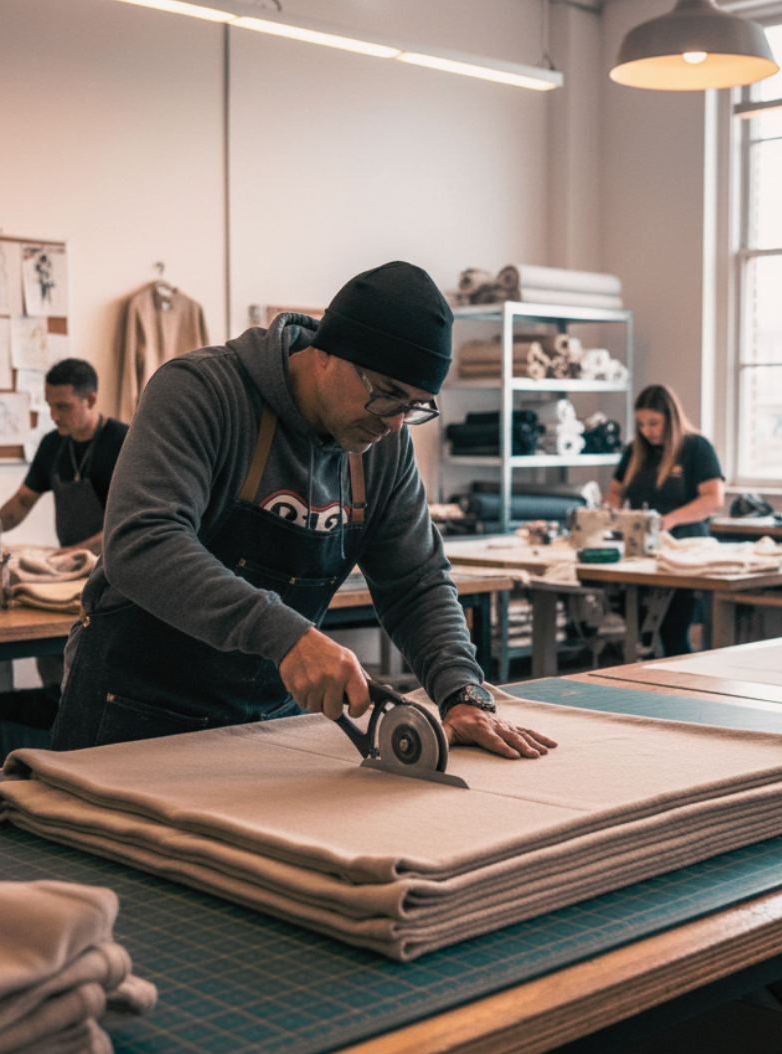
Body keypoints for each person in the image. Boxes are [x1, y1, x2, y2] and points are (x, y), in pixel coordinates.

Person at [50, 261, 556, 761]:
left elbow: (416, 582)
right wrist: (286, 635)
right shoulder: (200, 392)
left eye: (417, 406)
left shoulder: (384, 443)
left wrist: (462, 693)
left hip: (264, 726)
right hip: (134, 717)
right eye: (387, 395)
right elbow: (142, 542)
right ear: (327, 354)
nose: (397, 424)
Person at [604, 384, 725, 656]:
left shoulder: (696, 447)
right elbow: (614, 492)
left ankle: (680, 691)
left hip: (683, 551)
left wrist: (668, 520)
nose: (648, 430)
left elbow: (713, 499)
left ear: (671, 417)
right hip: (642, 552)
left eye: (654, 423)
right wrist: (610, 516)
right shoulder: (636, 451)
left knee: (672, 630)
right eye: (642, 424)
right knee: (638, 627)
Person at [0, 359, 129, 557]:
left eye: (63, 407)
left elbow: (128, 525)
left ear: (91, 401)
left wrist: (72, 553)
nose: (54, 416)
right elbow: (22, 502)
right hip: (74, 562)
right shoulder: (52, 444)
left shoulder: (126, 443)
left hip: (118, 566)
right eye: (50, 405)